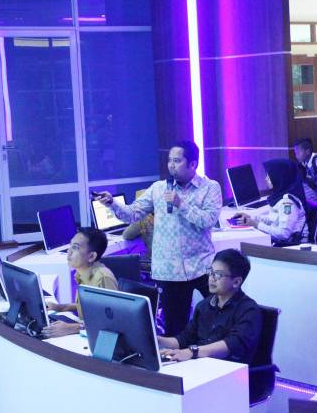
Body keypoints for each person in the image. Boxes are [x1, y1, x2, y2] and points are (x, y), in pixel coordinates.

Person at [98, 140, 222, 337]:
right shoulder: (158, 188)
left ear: (193, 164)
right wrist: (112, 203)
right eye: (170, 160)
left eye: (177, 161)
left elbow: (208, 221)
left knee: (217, 320)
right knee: (175, 329)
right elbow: (132, 214)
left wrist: (181, 204)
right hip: (168, 270)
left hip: (202, 265)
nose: (171, 165)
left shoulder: (210, 188)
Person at [158, 249, 262, 364]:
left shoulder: (249, 310)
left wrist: (192, 352)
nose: (212, 278)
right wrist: (156, 340)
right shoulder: (204, 305)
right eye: (211, 272)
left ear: (236, 282)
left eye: (218, 274)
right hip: (198, 364)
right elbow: (185, 339)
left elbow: (233, 345)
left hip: (228, 369)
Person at [42, 227, 118, 338]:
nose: (69, 252)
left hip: (101, 339)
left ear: (91, 256)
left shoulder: (103, 278)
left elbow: (111, 322)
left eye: (75, 247)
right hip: (88, 333)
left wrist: (72, 328)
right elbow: (90, 308)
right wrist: (61, 307)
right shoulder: (82, 273)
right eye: (70, 246)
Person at [233, 159, 308, 246]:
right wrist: (251, 218)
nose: (266, 179)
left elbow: (284, 234)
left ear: (279, 177)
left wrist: (256, 225)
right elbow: (274, 220)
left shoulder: (288, 203)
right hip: (283, 243)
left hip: (292, 245)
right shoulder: (280, 196)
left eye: (269, 176)